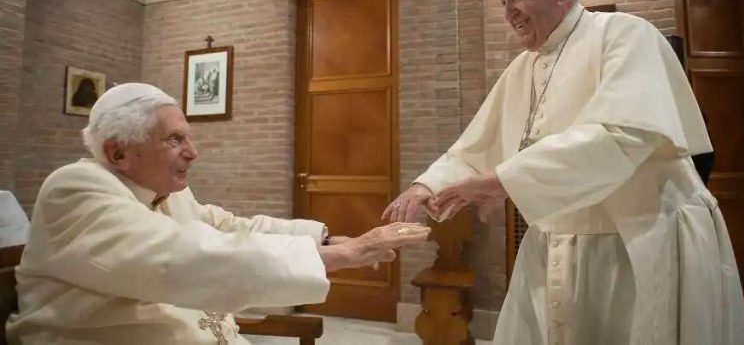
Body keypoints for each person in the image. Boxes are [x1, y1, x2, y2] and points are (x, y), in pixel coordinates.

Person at [382, 0, 744, 345]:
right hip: (557, 242)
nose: (509, 12)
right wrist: (429, 185)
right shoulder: (521, 68)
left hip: (637, 239)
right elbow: (477, 146)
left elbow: (626, 133)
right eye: (503, 2)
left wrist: (504, 181)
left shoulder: (624, 34)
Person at [7, 83, 430, 344]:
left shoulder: (161, 191)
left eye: (189, 137)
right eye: (175, 140)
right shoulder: (75, 189)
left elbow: (227, 226)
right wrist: (344, 256)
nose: (193, 152)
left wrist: (329, 240)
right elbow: (184, 256)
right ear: (119, 152)